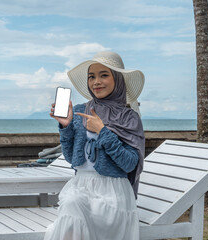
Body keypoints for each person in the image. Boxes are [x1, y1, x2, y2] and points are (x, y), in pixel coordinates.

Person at [45, 51, 145, 240]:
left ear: (118, 79)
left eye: (104, 75)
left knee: (72, 213)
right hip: (80, 187)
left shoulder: (128, 117)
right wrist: (66, 127)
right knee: (72, 203)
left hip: (112, 193)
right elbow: (71, 159)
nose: (96, 82)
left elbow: (130, 164)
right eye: (91, 77)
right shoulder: (80, 111)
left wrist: (103, 132)